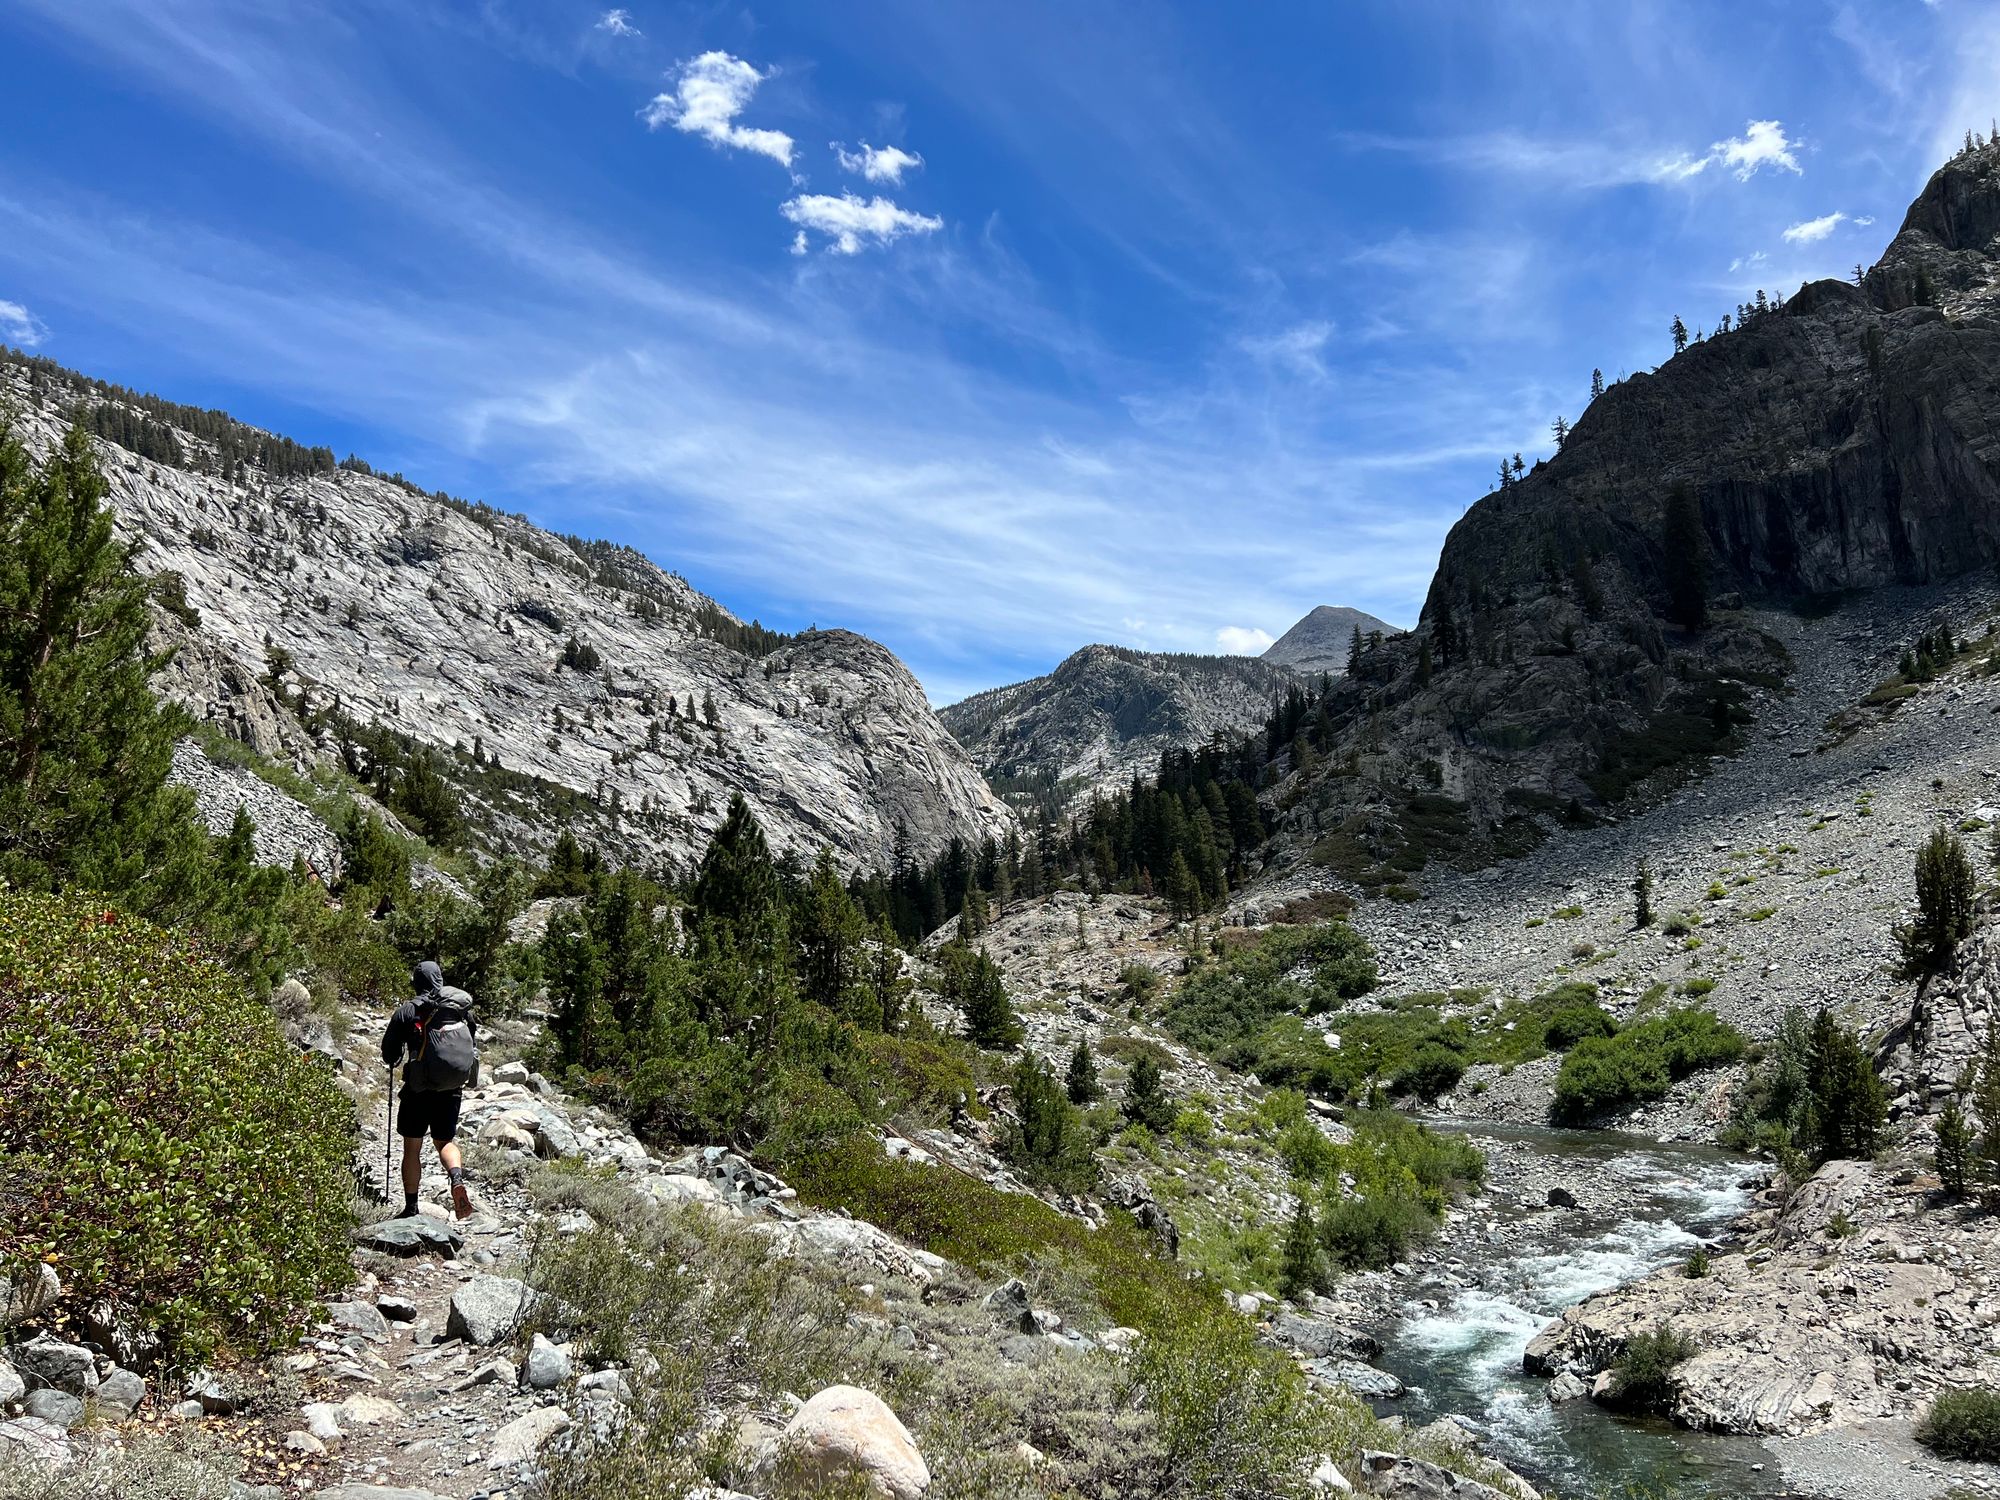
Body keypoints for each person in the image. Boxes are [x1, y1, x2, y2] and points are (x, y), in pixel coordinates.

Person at [381, 960, 479, 1220]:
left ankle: (411, 1207)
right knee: (445, 1142)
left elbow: (388, 1054)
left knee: (412, 1148)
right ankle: (456, 1178)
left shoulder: (408, 1010)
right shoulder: (459, 1009)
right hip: (451, 1088)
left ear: (417, 982)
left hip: (418, 1089)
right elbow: (471, 1040)